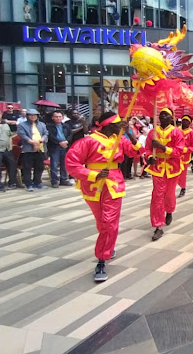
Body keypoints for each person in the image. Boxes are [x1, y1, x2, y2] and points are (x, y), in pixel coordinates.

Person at [65, 111, 142, 282]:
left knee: (109, 221)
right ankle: (108, 244)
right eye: (118, 123)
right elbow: (71, 164)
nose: (120, 125)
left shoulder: (121, 139)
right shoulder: (88, 141)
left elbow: (135, 153)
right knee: (102, 222)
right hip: (92, 186)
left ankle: (102, 259)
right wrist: (93, 174)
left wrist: (130, 133)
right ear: (108, 125)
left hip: (113, 185)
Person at [145, 108, 184, 241]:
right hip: (157, 168)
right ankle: (157, 226)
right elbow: (147, 150)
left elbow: (179, 152)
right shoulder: (152, 132)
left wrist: (162, 147)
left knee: (169, 194)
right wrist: (150, 157)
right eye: (161, 114)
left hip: (172, 168)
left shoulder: (177, 132)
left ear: (171, 117)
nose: (162, 116)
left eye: (166, 115)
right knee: (157, 196)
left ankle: (170, 210)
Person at [17, 108, 48, 192]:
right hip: (28, 149)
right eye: (31, 115)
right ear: (27, 116)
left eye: (35, 115)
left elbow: (46, 133)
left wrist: (41, 140)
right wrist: (33, 142)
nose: (33, 116)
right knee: (27, 167)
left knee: (40, 167)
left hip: (40, 148)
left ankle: (37, 182)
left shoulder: (42, 124)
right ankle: (28, 184)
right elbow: (22, 135)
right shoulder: (22, 125)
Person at [46, 111, 73, 188]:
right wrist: (59, 142)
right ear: (52, 118)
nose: (58, 118)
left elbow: (70, 134)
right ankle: (54, 181)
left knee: (64, 164)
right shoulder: (49, 126)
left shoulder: (66, 126)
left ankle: (63, 179)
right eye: (56, 117)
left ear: (62, 117)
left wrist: (66, 141)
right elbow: (50, 136)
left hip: (65, 146)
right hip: (54, 147)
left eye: (59, 116)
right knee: (54, 164)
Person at [177, 115, 193, 198]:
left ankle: (183, 187)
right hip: (176, 155)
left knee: (183, 174)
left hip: (185, 157)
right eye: (183, 120)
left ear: (189, 123)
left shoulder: (191, 133)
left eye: (187, 121)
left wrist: (185, 149)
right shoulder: (176, 130)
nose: (185, 122)